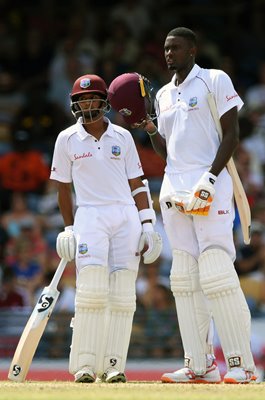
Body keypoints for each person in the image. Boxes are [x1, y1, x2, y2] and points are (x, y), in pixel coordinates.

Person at [107, 28, 257, 384]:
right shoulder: (164, 95)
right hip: (175, 186)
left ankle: (241, 365)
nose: (169, 53)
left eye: (175, 47)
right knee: (184, 278)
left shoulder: (214, 80)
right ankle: (199, 365)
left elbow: (232, 135)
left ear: (193, 49)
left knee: (217, 271)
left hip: (211, 182)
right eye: (166, 49)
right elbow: (168, 152)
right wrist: (149, 128)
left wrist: (209, 179)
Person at [50, 74, 162, 383]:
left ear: (104, 102)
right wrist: (69, 228)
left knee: (124, 294)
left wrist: (147, 223)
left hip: (125, 215)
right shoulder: (67, 139)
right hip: (89, 216)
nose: (87, 104)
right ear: (75, 104)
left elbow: (137, 184)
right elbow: (62, 188)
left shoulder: (123, 137)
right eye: (81, 100)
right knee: (91, 291)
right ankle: (85, 364)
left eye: (92, 98)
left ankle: (114, 365)